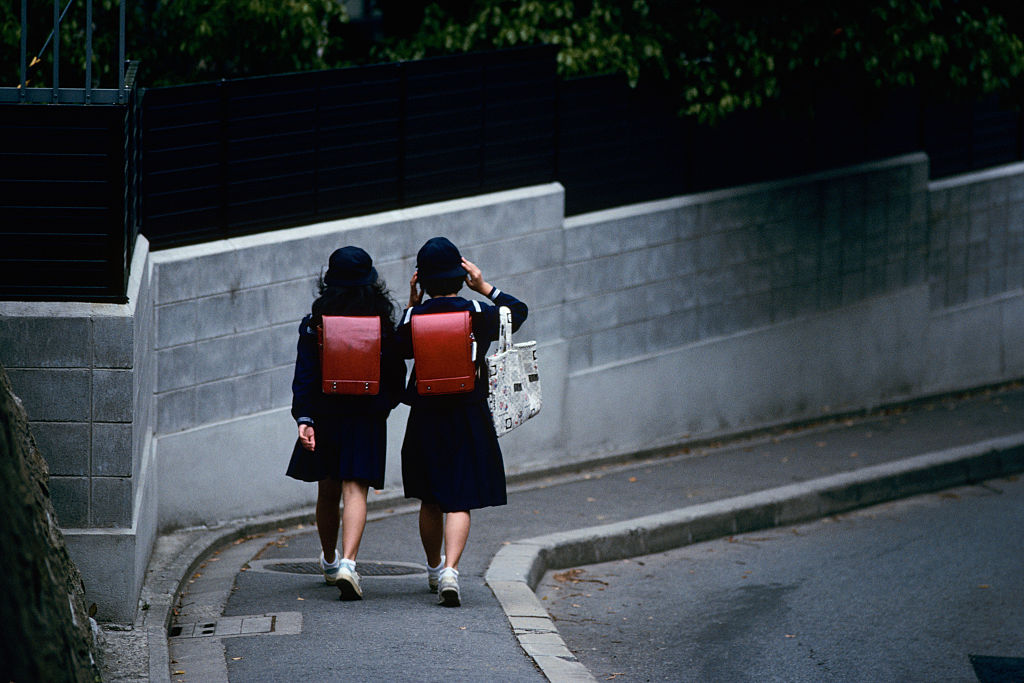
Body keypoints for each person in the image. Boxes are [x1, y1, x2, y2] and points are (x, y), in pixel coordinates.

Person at [396, 236, 528, 607]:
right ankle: (453, 570)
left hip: (425, 416)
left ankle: (435, 567)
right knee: (460, 498)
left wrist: (412, 303)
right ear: (460, 274)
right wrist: (484, 285)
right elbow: (518, 311)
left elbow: (395, 347)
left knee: (430, 498)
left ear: (421, 280)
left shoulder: (412, 319)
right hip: (468, 413)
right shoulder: (478, 312)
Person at [287, 246, 406, 600]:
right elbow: (396, 374)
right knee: (357, 490)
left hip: (325, 412)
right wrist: (383, 406)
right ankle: (349, 564)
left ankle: (327, 559)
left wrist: (305, 418)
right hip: (367, 414)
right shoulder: (382, 326)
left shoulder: (315, 324)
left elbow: (304, 373)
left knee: (328, 489)